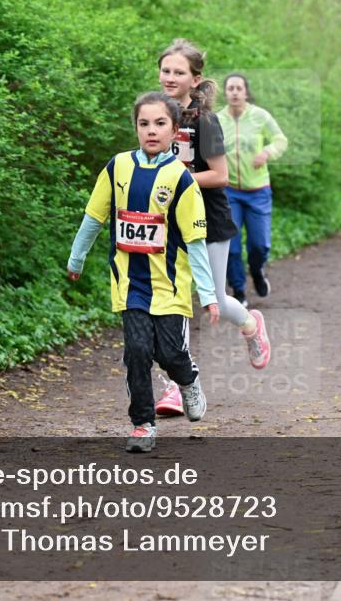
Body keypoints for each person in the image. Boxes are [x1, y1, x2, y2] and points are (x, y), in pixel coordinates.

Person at [67, 92, 219, 453]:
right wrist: (77, 258)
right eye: (144, 123)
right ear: (135, 127)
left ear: (175, 130)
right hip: (129, 284)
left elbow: (195, 242)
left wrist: (209, 294)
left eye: (160, 123)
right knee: (136, 350)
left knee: (169, 354)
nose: (151, 131)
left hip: (168, 287)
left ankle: (188, 379)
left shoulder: (180, 179)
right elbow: (94, 217)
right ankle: (142, 424)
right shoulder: (117, 167)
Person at [153, 40, 272, 418]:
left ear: (195, 79)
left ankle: (251, 324)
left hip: (209, 220)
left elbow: (219, 176)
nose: (170, 77)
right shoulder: (156, 114)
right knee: (170, 301)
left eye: (179, 72)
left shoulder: (205, 120)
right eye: (166, 70)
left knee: (215, 302)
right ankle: (175, 385)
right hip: (169, 222)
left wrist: (177, 178)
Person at [217, 73, 288, 306]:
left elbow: (280, 140)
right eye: (230, 88)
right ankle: (238, 290)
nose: (235, 92)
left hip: (258, 191)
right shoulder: (217, 120)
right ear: (225, 93)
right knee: (232, 247)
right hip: (229, 192)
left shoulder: (260, 116)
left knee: (259, 244)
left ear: (246, 92)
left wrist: (267, 152)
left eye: (239, 88)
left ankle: (257, 271)